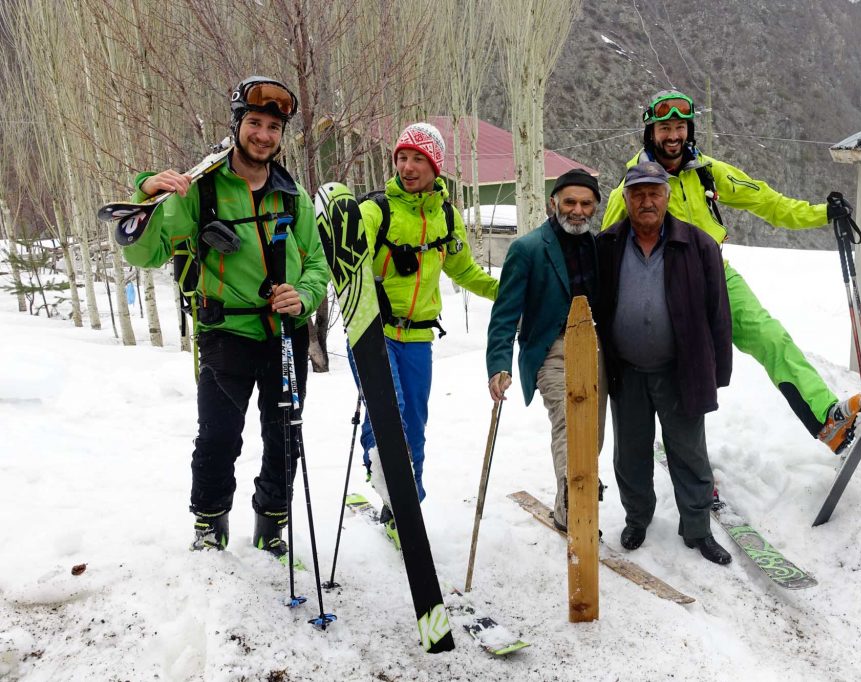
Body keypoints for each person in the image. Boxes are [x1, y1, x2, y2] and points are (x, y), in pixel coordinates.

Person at [120, 76, 329, 558]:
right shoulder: (200, 188)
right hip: (224, 334)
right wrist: (147, 190)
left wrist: (304, 295)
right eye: (254, 123)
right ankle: (210, 523)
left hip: (284, 334)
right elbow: (144, 255)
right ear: (236, 125)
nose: (263, 135)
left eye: (273, 127)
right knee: (218, 437)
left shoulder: (291, 194)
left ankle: (271, 522)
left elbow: (317, 262)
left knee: (283, 438)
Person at [602, 90, 861, 454]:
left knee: (770, 337)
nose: (674, 135)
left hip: (716, 274)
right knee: (683, 373)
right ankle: (685, 459)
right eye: (665, 127)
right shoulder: (633, 186)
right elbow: (607, 249)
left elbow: (767, 201)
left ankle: (827, 420)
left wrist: (822, 213)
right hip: (665, 286)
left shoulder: (707, 172)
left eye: (680, 126)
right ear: (651, 133)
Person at [352, 122, 499, 518]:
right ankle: (383, 477)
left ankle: (402, 509)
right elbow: (341, 261)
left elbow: (465, 272)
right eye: (402, 157)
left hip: (418, 338)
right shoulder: (374, 211)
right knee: (390, 409)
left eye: (418, 159)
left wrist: (507, 293)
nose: (408, 167)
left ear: (436, 167)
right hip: (373, 331)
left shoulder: (447, 219)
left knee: (414, 426)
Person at [597, 161, 733, 563]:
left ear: (667, 197)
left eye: (654, 193)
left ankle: (697, 529)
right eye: (637, 194)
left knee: (689, 452)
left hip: (680, 371)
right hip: (627, 372)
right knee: (630, 453)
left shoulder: (698, 245)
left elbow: (718, 314)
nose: (646, 201)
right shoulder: (607, 245)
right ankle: (638, 518)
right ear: (626, 200)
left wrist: (717, 372)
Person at [486, 169, 607, 531]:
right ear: (553, 202)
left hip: (595, 350)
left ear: (595, 206)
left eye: (586, 203)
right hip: (551, 351)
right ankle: (576, 507)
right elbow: (504, 314)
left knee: (594, 434)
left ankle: (565, 502)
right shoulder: (527, 249)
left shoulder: (599, 247)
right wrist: (498, 364)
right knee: (571, 422)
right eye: (569, 201)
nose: (577, 210)